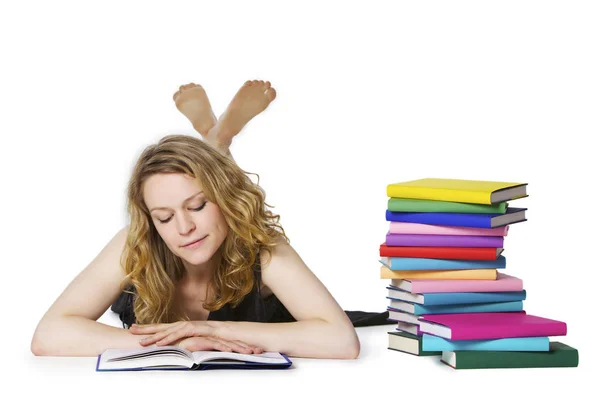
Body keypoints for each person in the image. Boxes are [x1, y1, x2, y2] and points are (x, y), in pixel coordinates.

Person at [31, 80, 392, 360]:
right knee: (196, 187)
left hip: (235, 216)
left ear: (223, 202)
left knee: (215, 185)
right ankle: (216, 139)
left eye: (198, 207)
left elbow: (342, 342)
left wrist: (215, 332)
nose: (183, 229)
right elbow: (47, 335)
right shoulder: (137, 239)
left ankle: (217, 142)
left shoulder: (260, 243)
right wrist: (177, 344)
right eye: (164, 216)